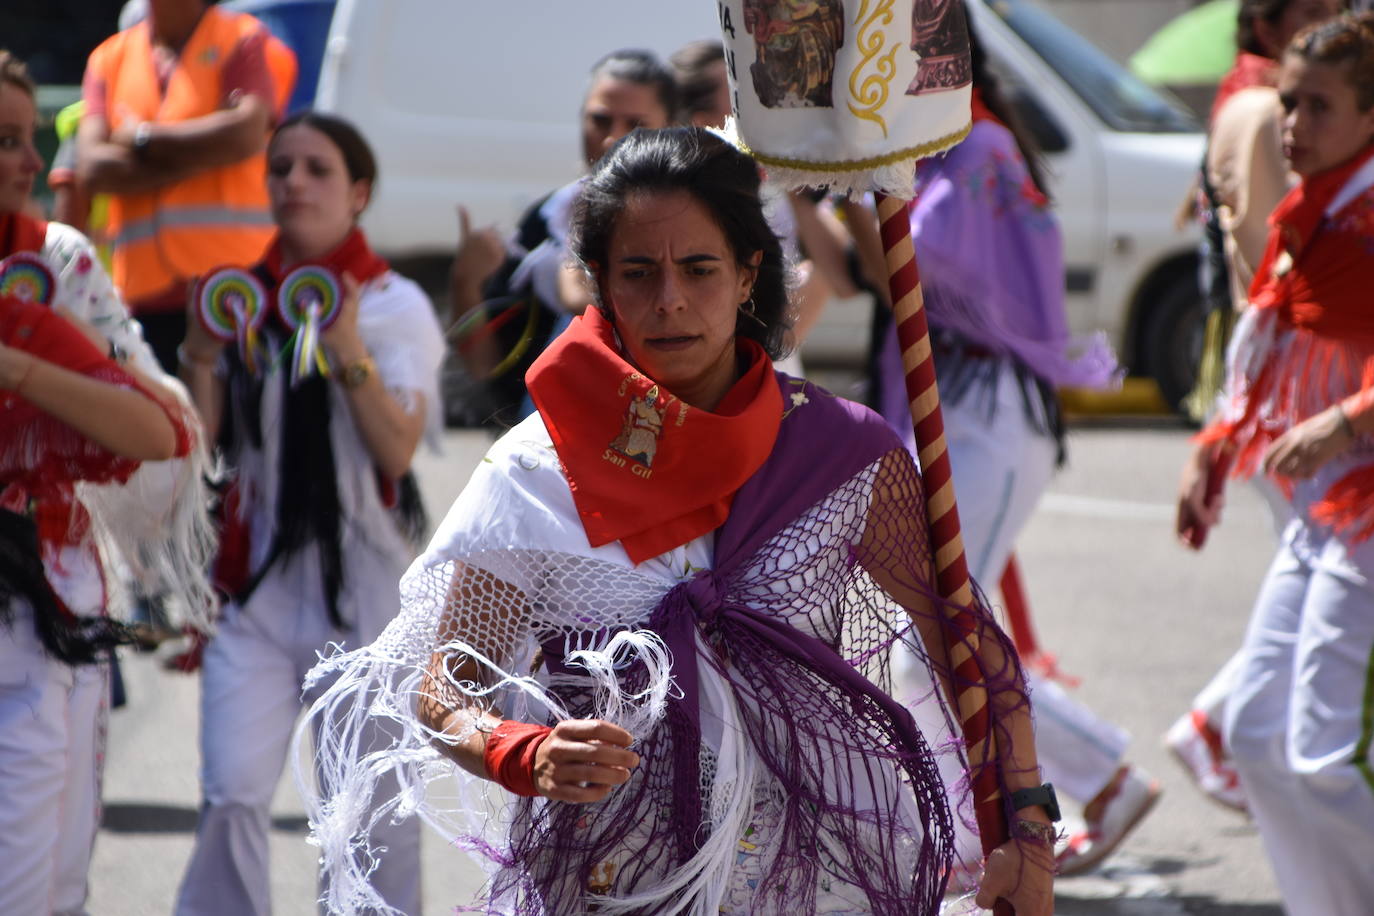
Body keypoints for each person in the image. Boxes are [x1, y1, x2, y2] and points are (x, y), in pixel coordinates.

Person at [296, 126, 1055, 916]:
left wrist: (1029, 828)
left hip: (819, 877)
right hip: (609, 883)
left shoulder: (843, 454)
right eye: (638, 273)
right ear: (598, 283)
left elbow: (962, 639)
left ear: (748, 273)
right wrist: (524, 750)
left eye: (699, 269)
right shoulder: (533, 474)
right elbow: (447, 690)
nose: (669, 302)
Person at [869, 22, 1153, 879]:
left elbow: (923, 262)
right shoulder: (938, 150)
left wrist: (849, 196)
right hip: (952, 403)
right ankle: (982, 821)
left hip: (989, 409)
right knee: (936, 629)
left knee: (938, 631)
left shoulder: (981, 144)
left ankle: (1099, 777)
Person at [172, 111, 445, 915]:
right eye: (280, 167)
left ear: (359, 193)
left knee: (370, 811)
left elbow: (395, 454)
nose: (292, 182)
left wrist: (348, 348)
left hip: (365, 589)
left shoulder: (395, 306)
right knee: (229, 791)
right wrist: (196, 354)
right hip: (254, 587)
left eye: (317, 169)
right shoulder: (236, 302)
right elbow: (204, 452)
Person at [1176, 14, 1374, 914]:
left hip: (1363, 507)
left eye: (1318, 106)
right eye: (1288, 100)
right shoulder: (1314, 209)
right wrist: (1216, 447)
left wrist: (1342, 420)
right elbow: (1264, 333)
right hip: (1324, 506)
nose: (1290, 122)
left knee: (1323, 759)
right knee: (1253, 737)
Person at [0, 48, 197, 916]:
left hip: (42, 590)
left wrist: (23, 365)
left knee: (41, 873)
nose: (32, 163)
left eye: (28, 137)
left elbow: (162, 425)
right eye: (6, 141)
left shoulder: (53, 266)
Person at [450, 48, 676, 426]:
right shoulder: (546, 222)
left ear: (671, 127)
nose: (611, 140)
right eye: (599, 120)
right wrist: (466, 282)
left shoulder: (689, 225)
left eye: (636, 124)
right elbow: (482, 364)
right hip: (537, 451)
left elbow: (578, 296)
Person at [75, 0, 296, 372]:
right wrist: (203, 153)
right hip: (142, 300)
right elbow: (93, 168)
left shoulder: (241, 36)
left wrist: (141, 139)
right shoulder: (108, 58)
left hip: (236, 291)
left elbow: (244, 133)